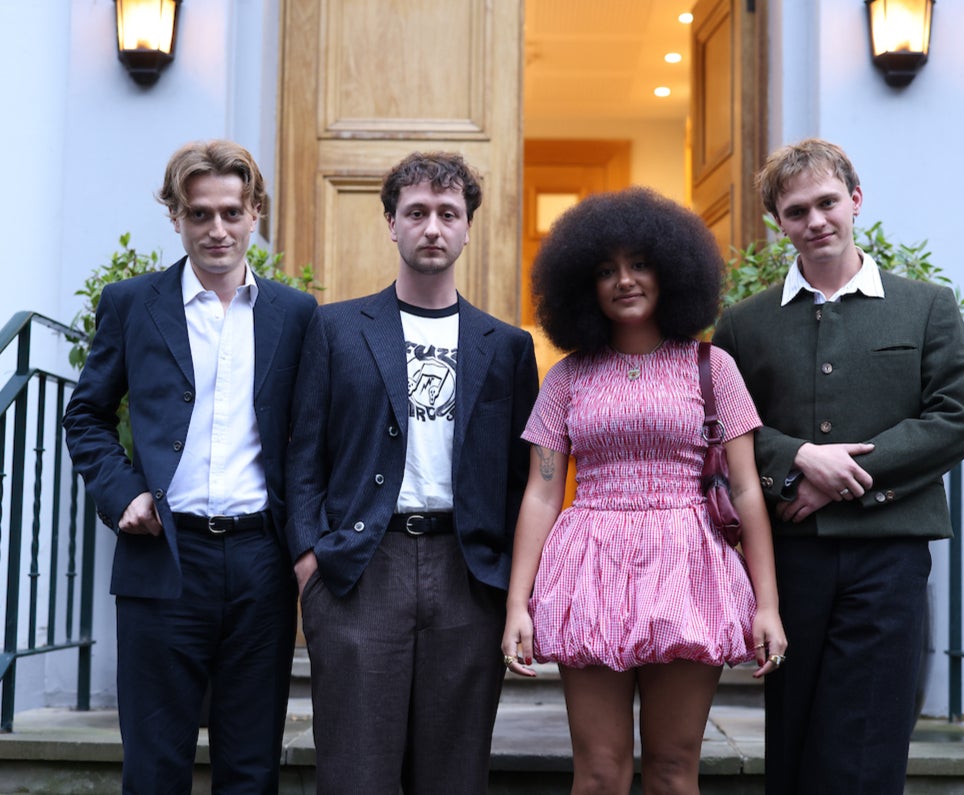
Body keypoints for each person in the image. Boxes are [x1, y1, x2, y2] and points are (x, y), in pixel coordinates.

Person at [712, 138, 964, 794]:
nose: (816, 221)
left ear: (855, 201)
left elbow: (953, 419)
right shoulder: (744, 326)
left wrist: (843, 481)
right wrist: (798, 458)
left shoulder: (928, 305)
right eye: (797, 211)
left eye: (828, 202)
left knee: (868, 739)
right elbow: (719, 428)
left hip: (888, 553)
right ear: (780, 223)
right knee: (795, 737)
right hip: (789, 558)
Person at [502, 186, 787, 794]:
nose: (623, 281)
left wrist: (767, 605)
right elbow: (541, 494)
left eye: (639, 264)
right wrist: (517, 606)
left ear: (671, 270)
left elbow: (745, 490)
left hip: (689, 566)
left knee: (672, 769)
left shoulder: (713, 368)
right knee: (600, 773)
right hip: (589, 567)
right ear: (583, 285)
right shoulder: (567, 377)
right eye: (605, 270)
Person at [63, 139, 318, 793]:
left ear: (255, 213)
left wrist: (309, 543)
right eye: (200, 214)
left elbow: (309, 438)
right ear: (176, 216)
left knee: (250, 766)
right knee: (154, 765)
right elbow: (86, 414)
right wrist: (123, 494)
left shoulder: (294, 315)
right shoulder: (132, 304)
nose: (217, 229)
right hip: (162, 556)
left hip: (260, 561)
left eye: (231, 212)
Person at [285, 151, 539, 794]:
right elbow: (303, 452)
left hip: (467, 571)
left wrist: (509, 579)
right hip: (361, 569)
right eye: (417, 212)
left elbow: (521, 476)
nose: (432, 227)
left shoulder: (507, 346)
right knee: (355, 773)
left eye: (448, 213)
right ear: (390, 225)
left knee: (453, 775)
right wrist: (309, 559)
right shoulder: (336, 327)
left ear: (468, 228)